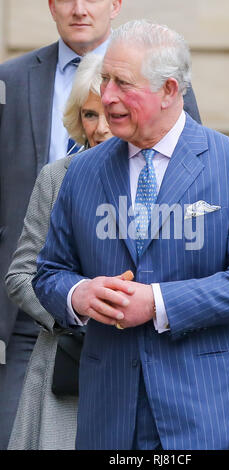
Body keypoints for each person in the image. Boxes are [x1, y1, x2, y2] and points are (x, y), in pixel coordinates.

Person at [33, 19, 229, 450]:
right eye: (105, 79)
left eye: (122, 84)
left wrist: (158, 303)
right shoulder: (82, 172)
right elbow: (49, 271)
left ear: (169, 90)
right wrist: (78, 295)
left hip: (209, 413)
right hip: (110, 413)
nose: (106, 96)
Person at [0, 0, 124, 449]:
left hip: (139, 343)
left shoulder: (163, 180)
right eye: (91, 115)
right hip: (50, 325)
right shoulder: (56, 176)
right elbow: (23, 272)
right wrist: (72, 304)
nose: (104, 126)